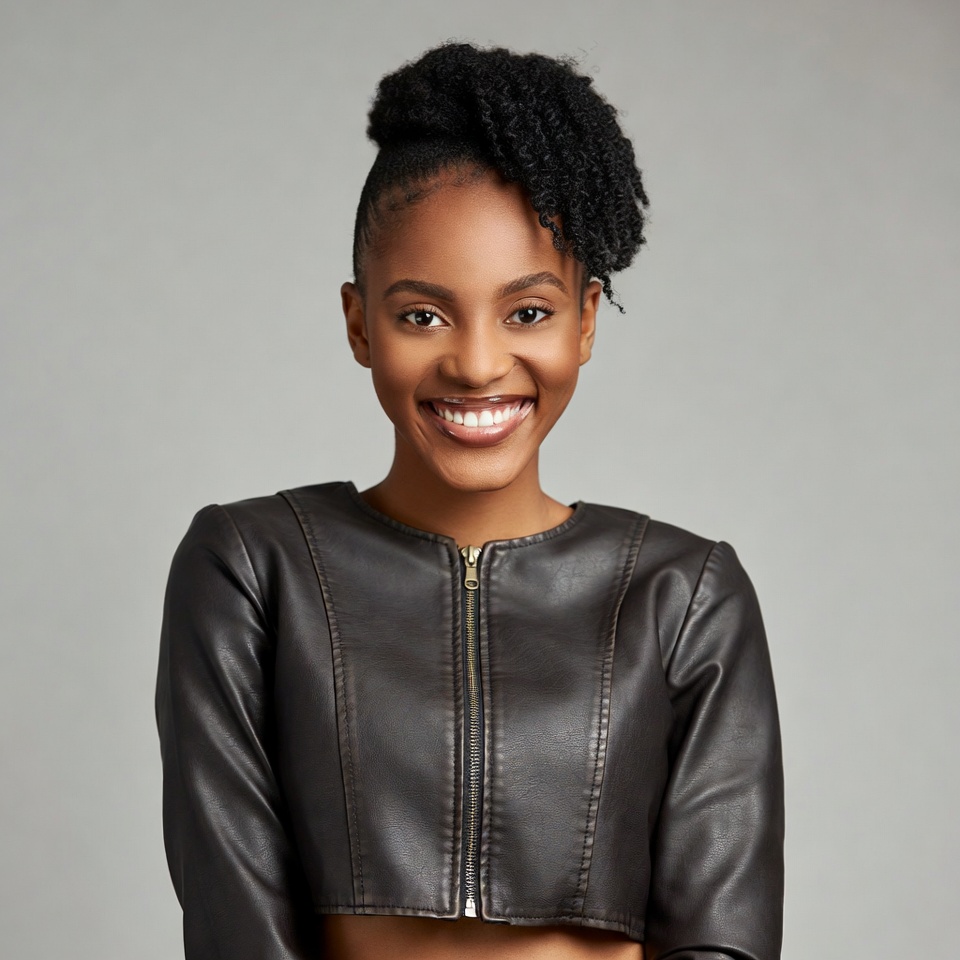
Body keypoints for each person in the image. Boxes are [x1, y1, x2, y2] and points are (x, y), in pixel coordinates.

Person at [155, 42, 784, 960]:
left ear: (587, 320)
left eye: (527, 311)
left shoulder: (685, 595)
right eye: (422, 315)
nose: (479, 363)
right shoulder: (252, 568)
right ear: (359, 323)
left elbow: (723, 941)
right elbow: (234, 927)